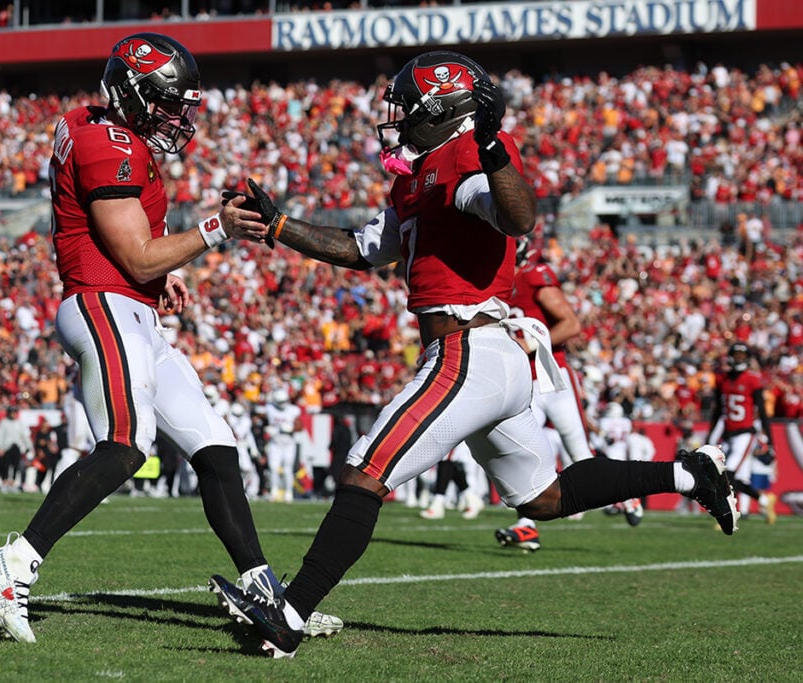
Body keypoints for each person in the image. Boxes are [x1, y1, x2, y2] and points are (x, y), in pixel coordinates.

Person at [208, 50, 739, 658]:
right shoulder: (417, 177)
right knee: (543, 497)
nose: (398, 120)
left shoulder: (465, 157)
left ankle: (290, 617)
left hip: (470, 348)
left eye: (407, 109)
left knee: (365, 473)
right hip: (494, 356)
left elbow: (517, 215)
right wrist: (280, 227)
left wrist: (491, 151)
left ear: (442, 111)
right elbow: (364, 247)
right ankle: (689, 473)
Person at [0, 32, 341, 644]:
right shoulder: (107, 142)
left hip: (134, 308)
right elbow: (136, 257)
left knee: (217, 447)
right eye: (167, 101)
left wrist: (162, 272)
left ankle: (262, 589)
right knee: (124, 446)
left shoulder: (95, 125)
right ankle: (13, 563)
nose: (178, 116)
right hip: (103, 304)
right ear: (131, 94)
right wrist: (217, 229)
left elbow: (137, 256)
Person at [494, 235, 598, 548]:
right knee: (526, 453)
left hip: (551, 377)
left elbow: (570, 324)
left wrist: (530, 343)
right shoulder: (497, 283)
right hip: (524, 380)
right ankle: (526, 526)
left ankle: (626, 497)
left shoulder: (533, 275)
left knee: (579, 453)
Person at [706, 342, 778, 524]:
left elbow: (762, 411)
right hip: (728, 434)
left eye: (742, 356)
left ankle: (725, 515)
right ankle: (763, 499)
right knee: (729, 478)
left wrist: (770, 441)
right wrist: (709, 437)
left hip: (745, 434)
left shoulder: (752, 380)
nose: (739, 359)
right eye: (736, 355)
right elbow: (716, 411)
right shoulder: (722, 378)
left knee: (726, 475)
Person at [263, 387, 302, 503]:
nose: (283, 404)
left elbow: (300, 427)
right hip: (274, 443)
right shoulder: (269, 408)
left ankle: (288, 493)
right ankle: (274, 492)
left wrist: (291, 429)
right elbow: (259, 417)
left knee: (287, 469)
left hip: (288, 444)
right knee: (273, 468)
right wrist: (266, 428)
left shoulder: (293, 410)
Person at [0, 406, 32, 492]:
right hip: (6, 447)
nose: (14, 414)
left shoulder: (19, 423)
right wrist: (0, 447)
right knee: (5, 465)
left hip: (16, 447)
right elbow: (0, 436)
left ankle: (12, 484)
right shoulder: (3, 422)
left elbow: (24, 436)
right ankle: (5, 483)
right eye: (12, 412)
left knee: (15, 466)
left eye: (15, 412)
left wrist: (29, 446)